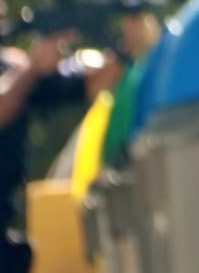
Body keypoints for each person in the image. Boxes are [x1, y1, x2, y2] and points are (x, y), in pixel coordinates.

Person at [0, 27, 123, 272]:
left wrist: (126, 49)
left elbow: (90, 85)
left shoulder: (12, 67)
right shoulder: (21, 71)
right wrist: (31, 68)